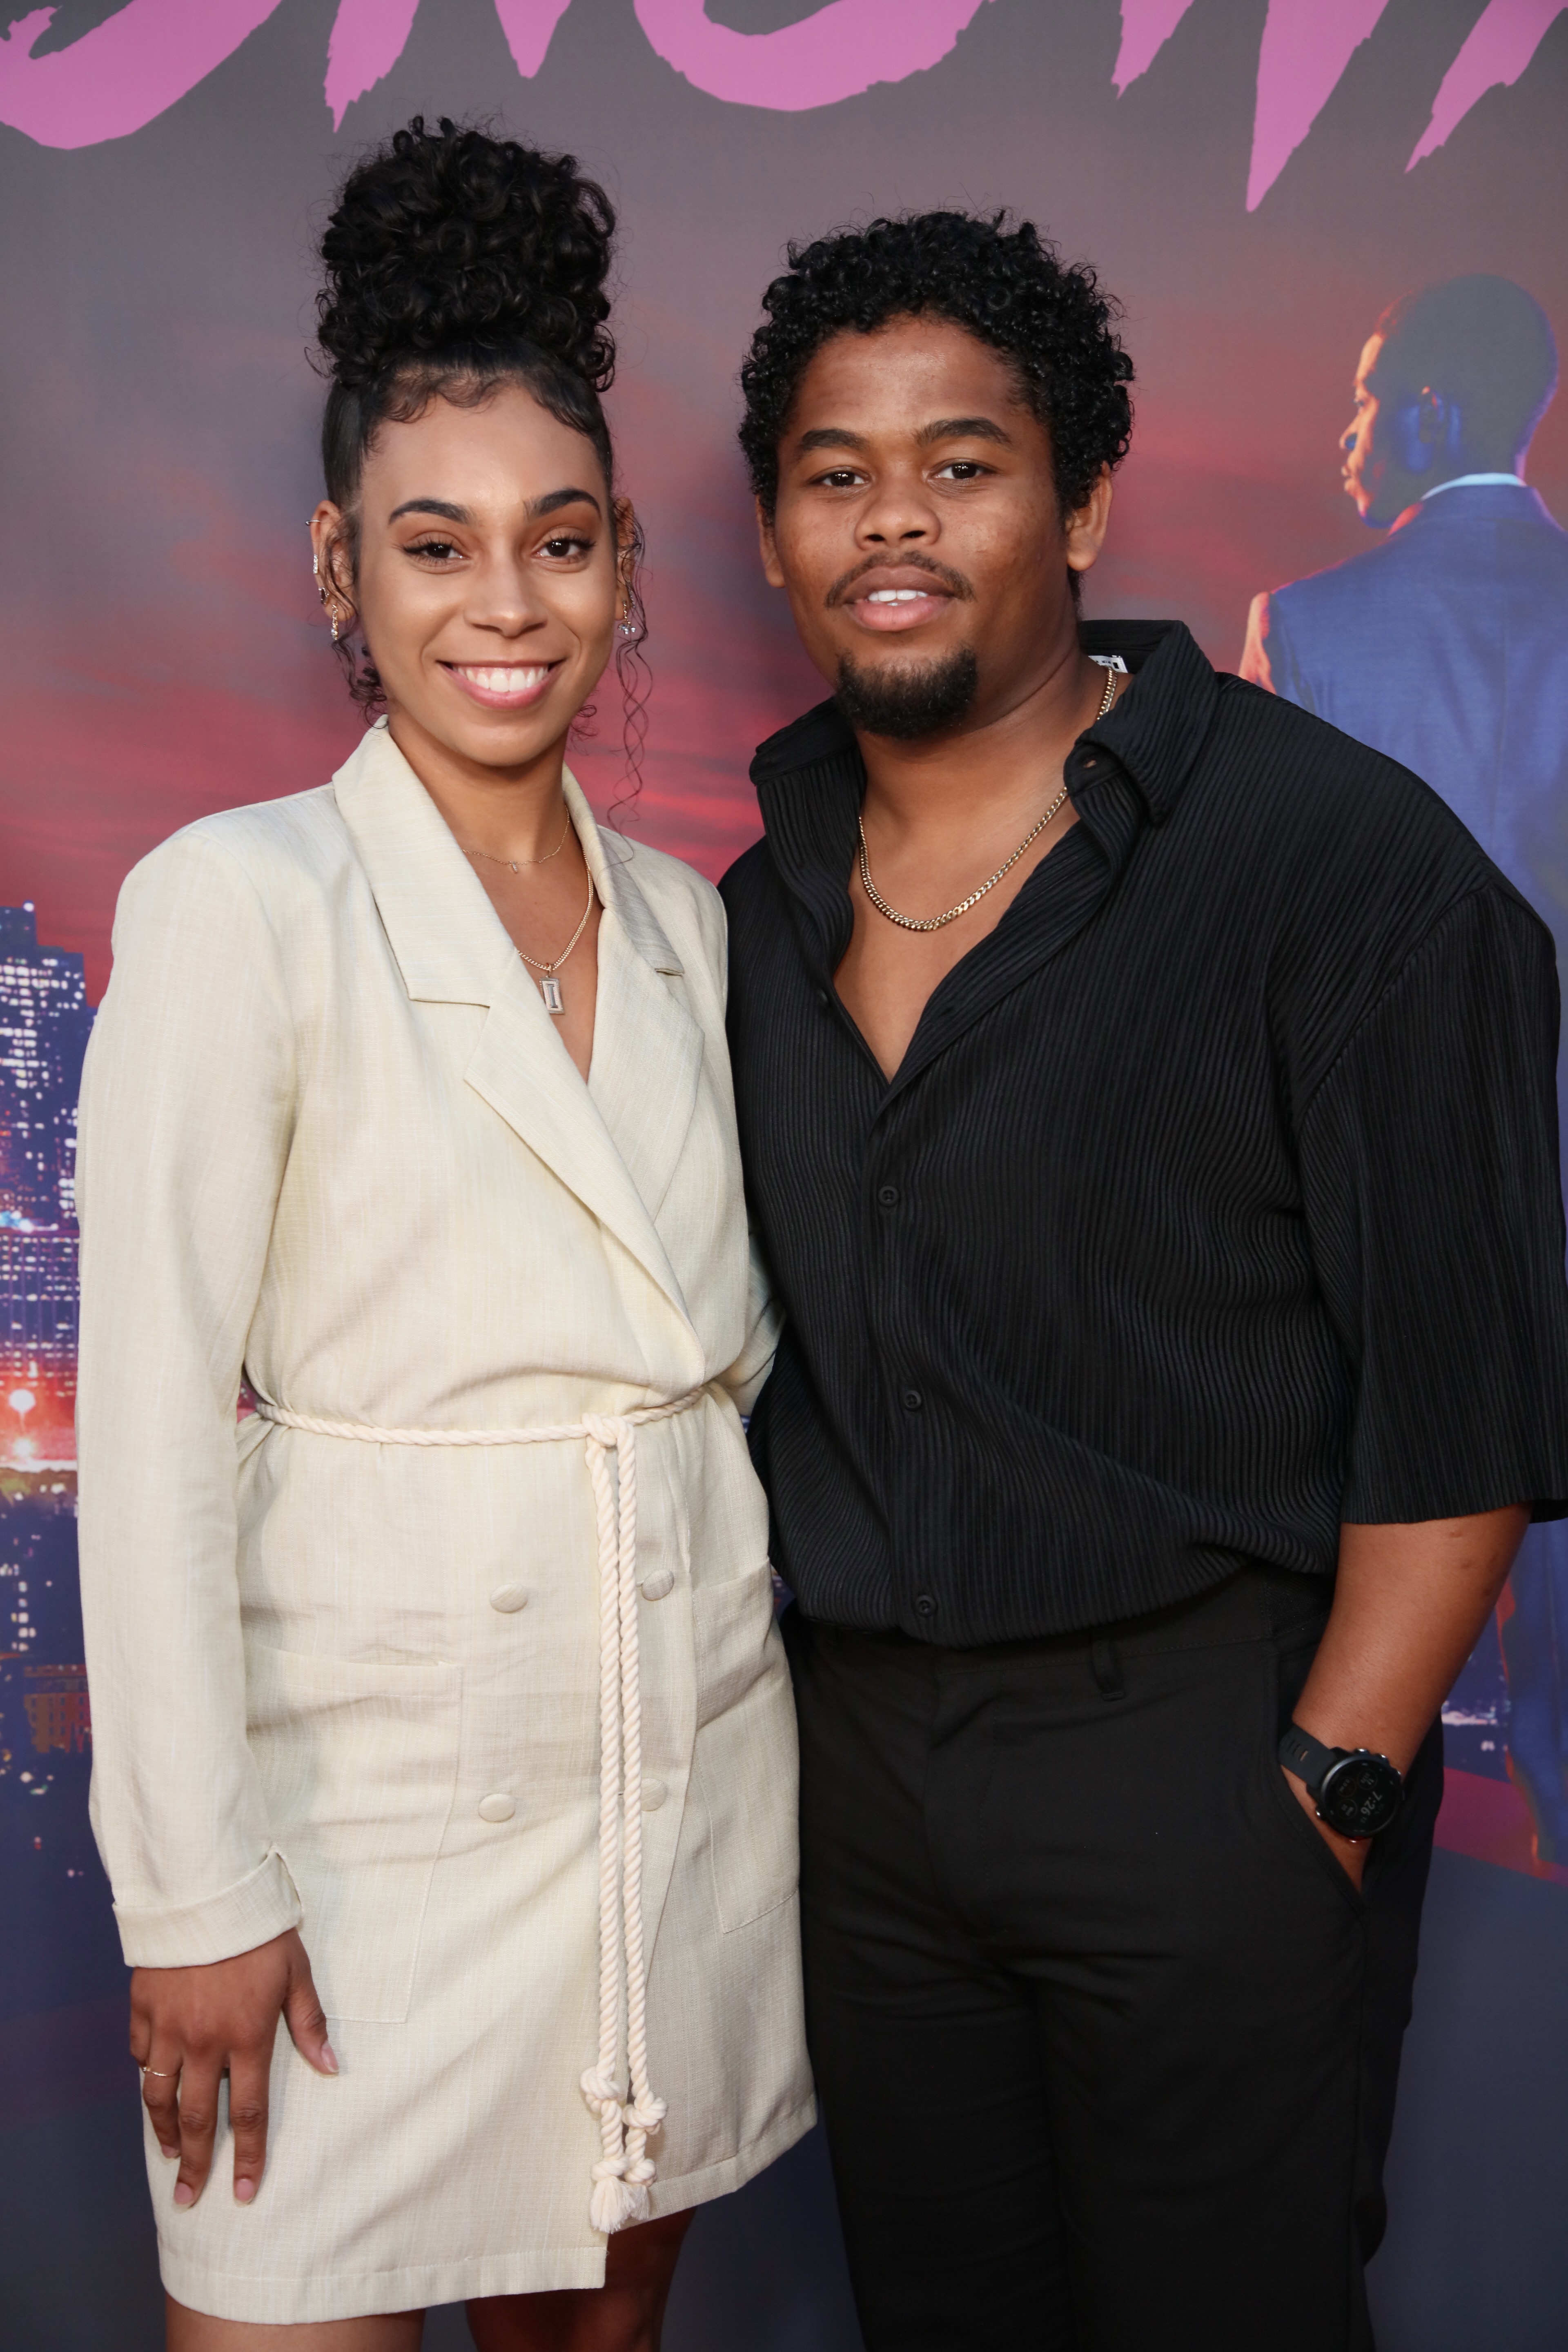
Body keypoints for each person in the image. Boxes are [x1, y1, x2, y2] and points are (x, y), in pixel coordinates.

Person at [719, 212, 1568, 2351]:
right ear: (770, 534)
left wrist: (1329, 1795)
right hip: (862, 1793)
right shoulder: (735, 913)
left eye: (964, 460)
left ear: (1086, 498)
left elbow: (1465, 1400)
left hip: (1213, 1762)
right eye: (836, 471)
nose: (893, 518)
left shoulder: (1343, 866)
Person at [76, 119, 811, 2351]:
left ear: (619, 571)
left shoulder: (696, 928)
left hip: (674, 1791)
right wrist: (193, 1894)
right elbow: (151, 1434)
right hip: (360, 1829)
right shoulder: (237, 900)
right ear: (339, 571)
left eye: (561, 542)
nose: (508, 602)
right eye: (437, 544)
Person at [1241, 274, 1568, 1862]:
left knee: (1347, 1593)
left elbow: (1252, 947)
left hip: (1380, 1184)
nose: (1355, 433)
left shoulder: (1310, 625)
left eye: (1370, 401)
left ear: (1432, 415)